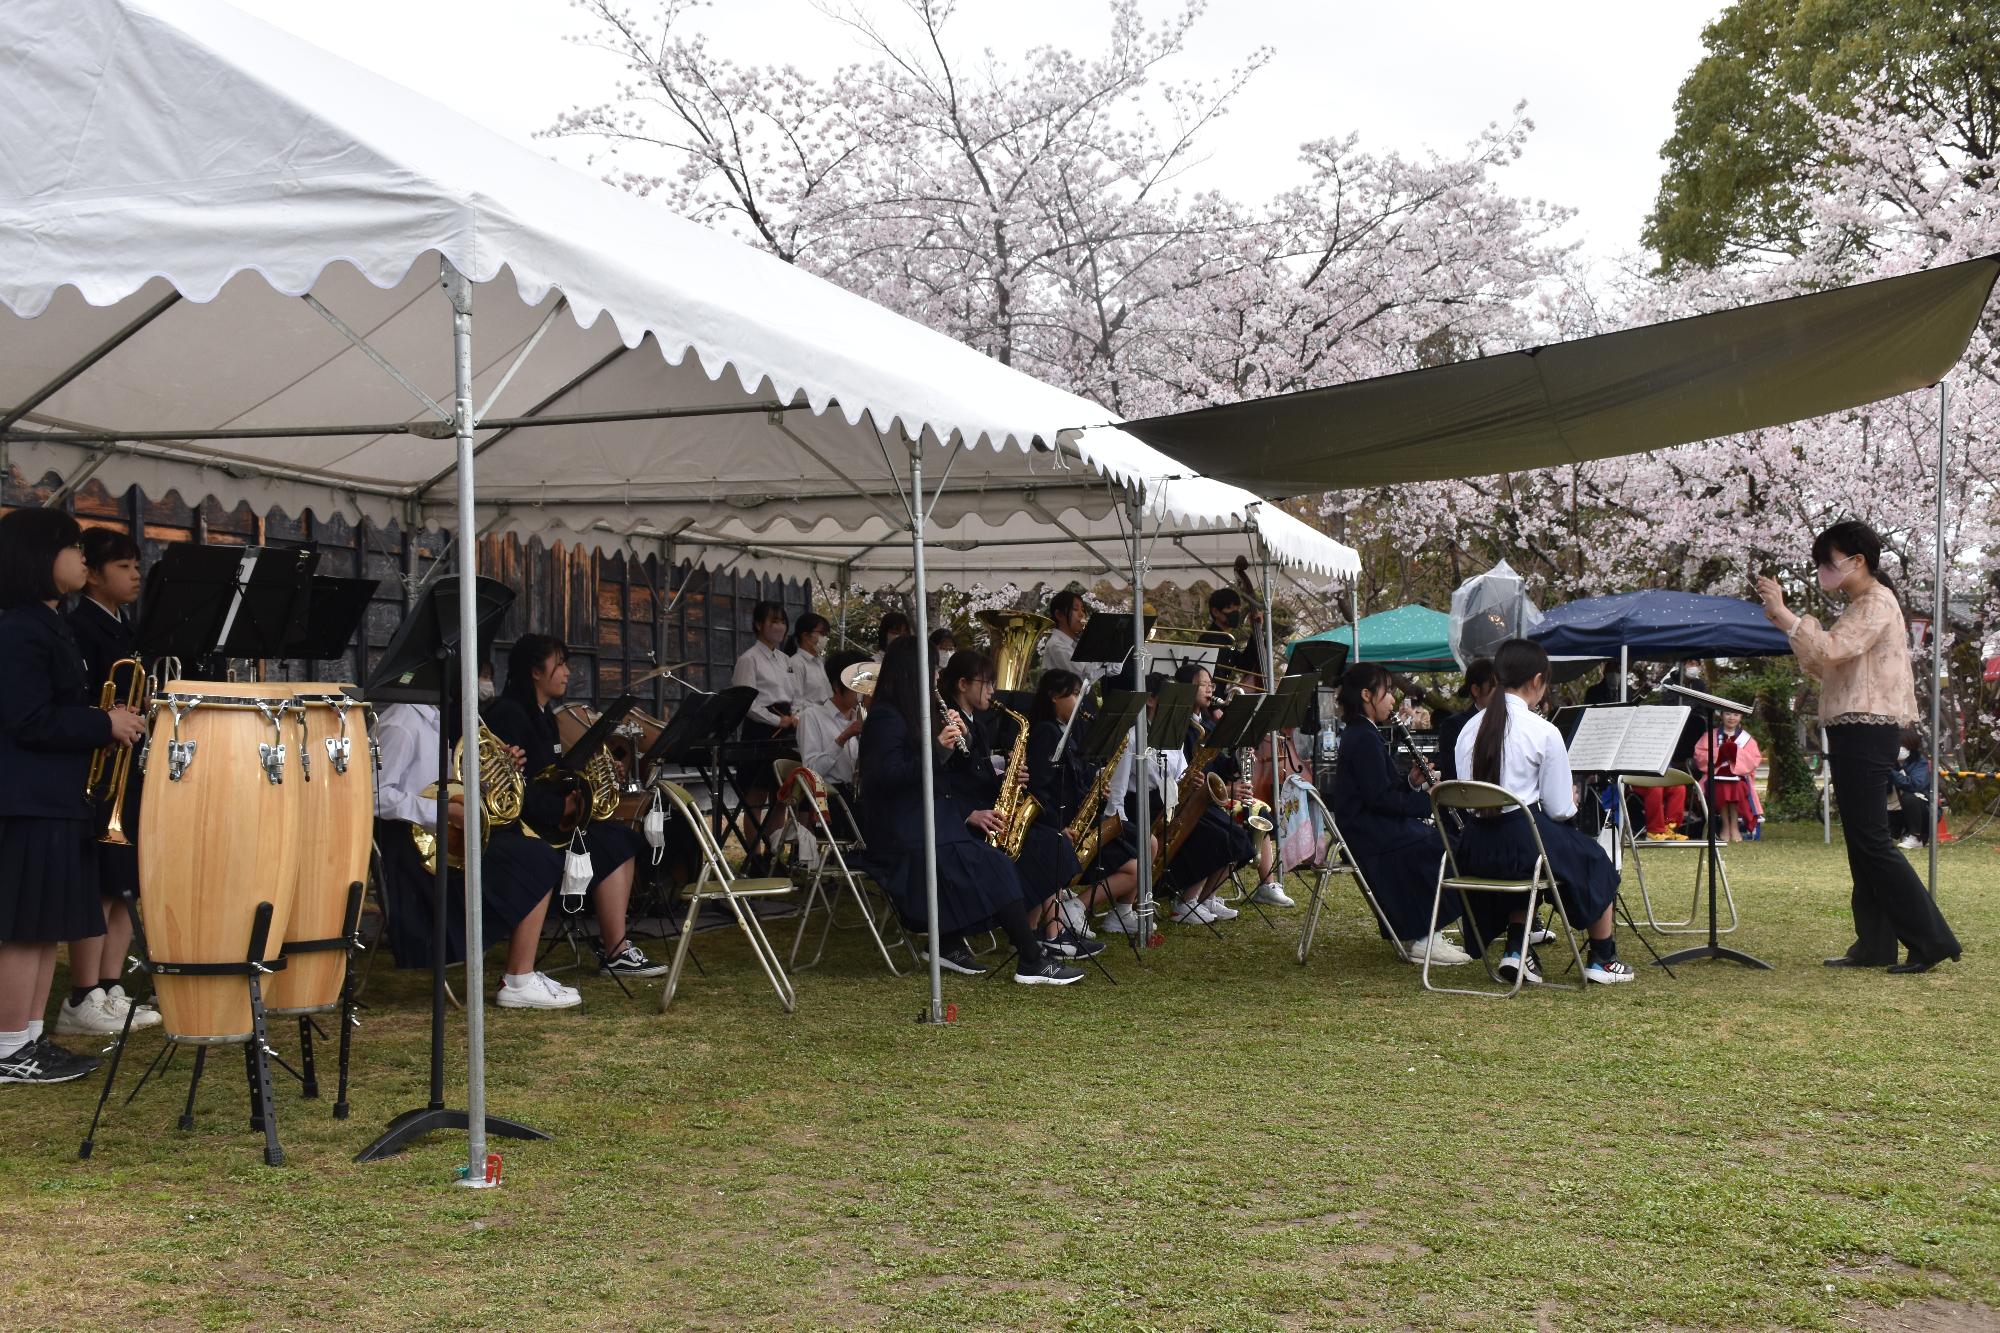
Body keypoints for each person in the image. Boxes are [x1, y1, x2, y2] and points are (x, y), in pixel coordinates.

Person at [1758, 521, 1960, 972]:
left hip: (1867, 728)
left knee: (1871, 840)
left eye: (1827, 563)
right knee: (1861, 839)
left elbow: (1831, 649)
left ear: (1857, 560)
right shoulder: (1862, 604)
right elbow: (1825, 663)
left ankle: (1931, 940)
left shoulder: (1875, 602)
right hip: (1855, 727)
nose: (1823, 573)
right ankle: (1875, 943)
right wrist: (1782, 619)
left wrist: (1788, 615)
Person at [0, 509, 146, 1083]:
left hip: (56, 797)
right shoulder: (18, 628)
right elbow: (26, 719)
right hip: (27, 797)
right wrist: (101, 723)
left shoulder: (47, 621)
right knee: (21, 927)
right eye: (71, 549)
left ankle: (28, 1038)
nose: (82, 560)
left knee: (42, 926)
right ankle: (10, 1045)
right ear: (40, 557)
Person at [855, 638, 1082, 985]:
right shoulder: (886, 718)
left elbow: (939, 774)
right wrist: (938, 751)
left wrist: (962, 749)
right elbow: (884, 778)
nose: (935, 677)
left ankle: (962, 939)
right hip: (904, 831)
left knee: (1001, 861)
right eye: (931, 669)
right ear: (910, 672)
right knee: (993, 865)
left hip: (931, 821)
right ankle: (1030, 958)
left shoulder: (919, 715)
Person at [373, 701, 579, 1009]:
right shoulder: (400, 722)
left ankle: (521, 974)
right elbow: (373, 795)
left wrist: (493, 775)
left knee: (534, 852)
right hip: (413, 857)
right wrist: (441, 810)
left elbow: (448, 785)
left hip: (440, 842)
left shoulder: (432, 718)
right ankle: (519, 979)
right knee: (534, 856)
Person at [485, 633, 667, 977]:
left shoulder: (543, 715)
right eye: (561, 664)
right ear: (536, 672)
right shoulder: (508, 714)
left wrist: (593, 775)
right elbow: (512, 786)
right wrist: (563, 809)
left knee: (620, 836)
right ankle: (615, 949)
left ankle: (618, 949)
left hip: (553, 820)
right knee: (614, 840)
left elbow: (554, 773)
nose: (567, 672)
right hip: (529, 828)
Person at [1453, 638, 1633, 986]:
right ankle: (1603, 958)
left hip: (1473, 849)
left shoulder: (1467, 730)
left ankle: (1518, 952)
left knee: (1534, 855)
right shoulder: (1543, 731)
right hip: (1521, 844)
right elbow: (1560, 809)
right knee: (1596, 861)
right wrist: (1573, 799)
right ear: (1537, 680)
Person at [56, 528, 161, 1036]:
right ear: (93, 575)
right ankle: (83, 992)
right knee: (99, 885)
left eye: (136, 564)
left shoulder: (129, 630)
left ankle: (111, 985)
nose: (135, 573)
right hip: (97, 773)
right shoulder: (80, 628)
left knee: (124, 886)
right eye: (122, 566)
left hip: (128, 767)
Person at [936, 651, 1094, 959]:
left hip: (987, 813)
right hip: (966, 821)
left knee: (1054, 844)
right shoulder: (948, 722)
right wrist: (969, 814)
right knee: (1045, 847)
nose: (993, 691)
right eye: (987, 683)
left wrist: (1008, 778)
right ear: (963, 684)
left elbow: (978, 777)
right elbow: (941, 782)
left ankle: (1039, 932)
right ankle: (1035, 934)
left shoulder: (977, 724)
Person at [1330, 664, 1471, 966]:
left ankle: (1425, 930)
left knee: (1439, 841)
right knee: (1442, 846)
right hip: (1369, 831)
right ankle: (1424, 935)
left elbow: (1379, 788)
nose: (1393, 700)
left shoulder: (1362, 732)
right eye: (1388, 692)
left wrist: (1411, 782)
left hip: (1371, 825)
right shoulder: (1363, 736)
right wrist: (1427, 803)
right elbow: (1379, 799)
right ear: (1367, 695)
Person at [1023, 668, 1149, 938]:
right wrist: (1057, 826)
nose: (1081, 701)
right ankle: (1064, 918)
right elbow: (1039, 789)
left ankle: (1071, 912)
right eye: (1075, 694)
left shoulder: (1066, 731)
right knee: (1134, 869)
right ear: (1054, 697)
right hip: (1063, 826)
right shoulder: (1047, 733)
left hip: (1078, 822)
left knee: (1139, 865)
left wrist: (1093, 790)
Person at [729, 601, 799, 873]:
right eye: (773, 621)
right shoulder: (749, 659)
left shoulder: (785, 660)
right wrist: (775, 719)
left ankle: (774, 853)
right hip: (761, 728)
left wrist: (795, 716)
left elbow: (795, 695)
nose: (780, 627)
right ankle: (754, 854)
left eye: (783, 621)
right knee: (755, 796)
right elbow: (745, 702)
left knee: (780, 795)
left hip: (787, 726)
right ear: (759, 625)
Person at [796, 648, 868, 839]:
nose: (863, 691)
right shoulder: (811, 716)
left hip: (858, 796)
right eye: (856, 684)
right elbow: (811, 771)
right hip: (829, 799)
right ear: (837, 686)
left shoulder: (862, 716)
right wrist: (843, 738)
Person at [1692, 711, 1763, 843]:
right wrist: (1720, 753)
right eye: (1728, 714)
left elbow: (1753, 760)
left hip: (1739, 777)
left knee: (1736, 787)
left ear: (1741, 717)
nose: (1732, 718)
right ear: (1722, 715)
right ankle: (1725, 825)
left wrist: (1736, 754)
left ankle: (1734, 826)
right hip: (1715, 776)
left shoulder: (1746, 739)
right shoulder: (1710, 736)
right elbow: (1699, 756)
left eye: (1736, 715)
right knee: (1721, 787)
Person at [1433, 657, 1495, 785]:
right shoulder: (1454, 725)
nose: (1503, 695)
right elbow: (1451, 772)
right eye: (1496, 689)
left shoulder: (1513, 721)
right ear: (1476, 690)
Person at [1042, 589, 1112, 686]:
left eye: (1083, 610)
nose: (1082, 614)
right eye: (1075, 609)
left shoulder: (1076, 644)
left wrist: (1112, 655)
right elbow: (1081, 676)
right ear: (1059, 615)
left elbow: (1113, 671)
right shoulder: (1056, 645)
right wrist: (1102, 652)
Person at [1888, 728, 1933, 851]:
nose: (1899, 748)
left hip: (1920, 808)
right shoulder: (1888, 761)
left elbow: (1916, 785)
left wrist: (1891, 773)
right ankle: (1900, 833)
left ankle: (1916, 836)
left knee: (1910, 797)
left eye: (1902, 745)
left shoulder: (1919, 762)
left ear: (1911, 746)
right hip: (1892, 808)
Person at [786, 611, 833, 712]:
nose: (825, 638)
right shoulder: (796, 663)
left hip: (824, 718)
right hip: (809, 721)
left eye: (826, 634)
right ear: (806, 636)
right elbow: (796, 703)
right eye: (821, 633)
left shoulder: (820, 662)